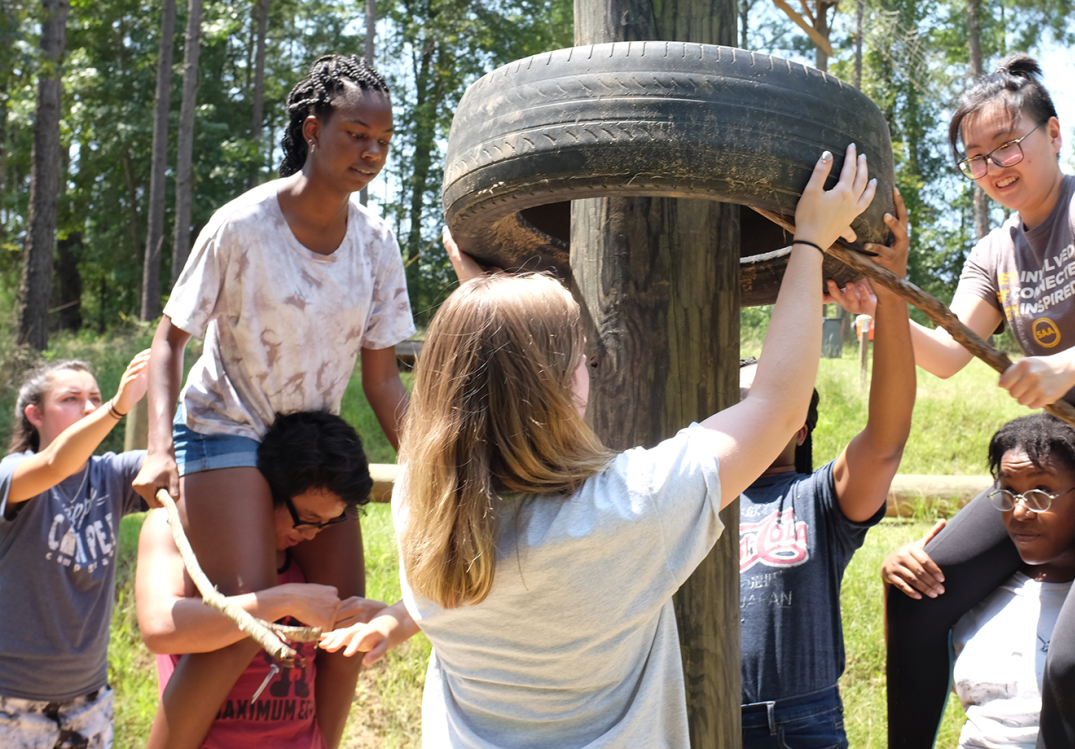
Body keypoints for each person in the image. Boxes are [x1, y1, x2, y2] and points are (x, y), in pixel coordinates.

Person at [319, 144, 877, 746]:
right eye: (578, 354)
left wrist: (487, 306)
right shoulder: (627, 511)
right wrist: (811, 242)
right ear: (562, 386)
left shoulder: (423, 513)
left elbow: (483, 400)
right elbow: (778, 404)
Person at [886, 53, 1075, 749]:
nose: (996, 166)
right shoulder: (994, 252)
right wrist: (880, 301)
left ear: (1052, 135)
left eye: (1008, 145)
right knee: (918, 591)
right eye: (976, 157)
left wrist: (1060, 370)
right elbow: (947, 356)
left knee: (1074, 654)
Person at [134, 54, 416, 749]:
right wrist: (158, 450)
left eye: (383, 142)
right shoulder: (242, 224)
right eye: (356, 135)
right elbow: (170, 340)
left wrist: (435, 469)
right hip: (226, 426)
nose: (372, 153)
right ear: (313, 130)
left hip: (308, 441)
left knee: (347, 624)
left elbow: (382, 382)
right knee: (245, 626)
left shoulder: (378, 245)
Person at [883, 414, 1075, 749]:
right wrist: (897, 582)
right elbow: (919, 676)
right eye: (1007, 491)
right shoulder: (979, 590)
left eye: (1041, 492)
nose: (1020, 512)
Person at [738, 190, 915, 749]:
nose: (753, 419)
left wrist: (891, 295)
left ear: (800, 426)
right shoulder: (700, 492)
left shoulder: (817, 500)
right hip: (703, 710)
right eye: (741, 407)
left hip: (802, 723)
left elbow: (886, 440)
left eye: (770, 406)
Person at [136, 411, 410, 749]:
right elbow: (160, 627)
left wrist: (372, 620)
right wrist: (284, 601)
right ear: (265, 492)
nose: (311, 536)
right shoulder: (175, 528)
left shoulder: (304, 559)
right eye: (306, 520)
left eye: (325, 525)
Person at [0, 350, 150, 749]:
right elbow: (54, 465)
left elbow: (184, 465)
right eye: (70, 399)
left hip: (89, 700)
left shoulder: (113, 474)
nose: (88, 407)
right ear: (35, 415)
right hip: (10, 701)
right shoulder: (12, 474)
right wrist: (117, 407)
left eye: (95, 399)